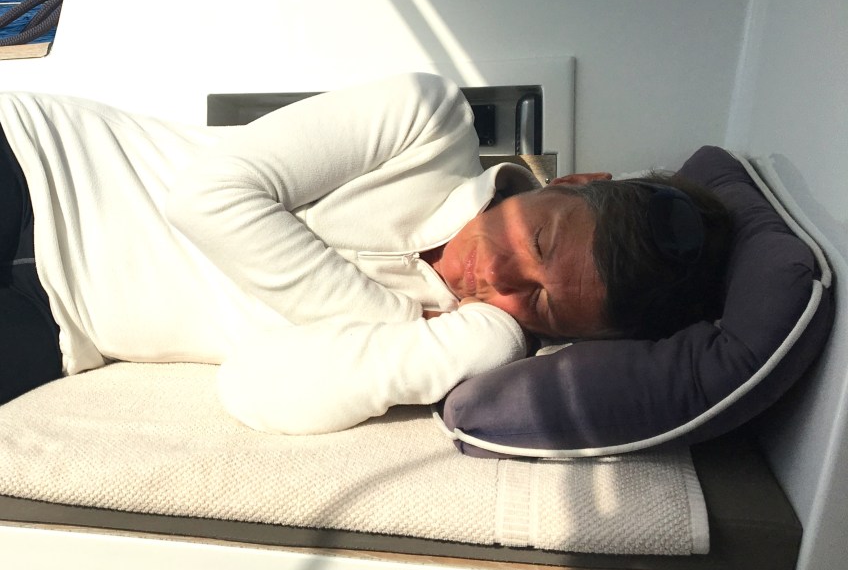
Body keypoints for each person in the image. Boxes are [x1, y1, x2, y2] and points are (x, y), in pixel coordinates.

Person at [0, 72, 731, 434]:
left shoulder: (458, 341)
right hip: (36, 170)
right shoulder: (428, 122)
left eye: (538, 301)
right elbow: (207, 198)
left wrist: (471, 340)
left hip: (60, 333)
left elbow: (252, 388)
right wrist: (390, 316)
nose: (500, 275)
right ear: (571, 183)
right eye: (539, 240)